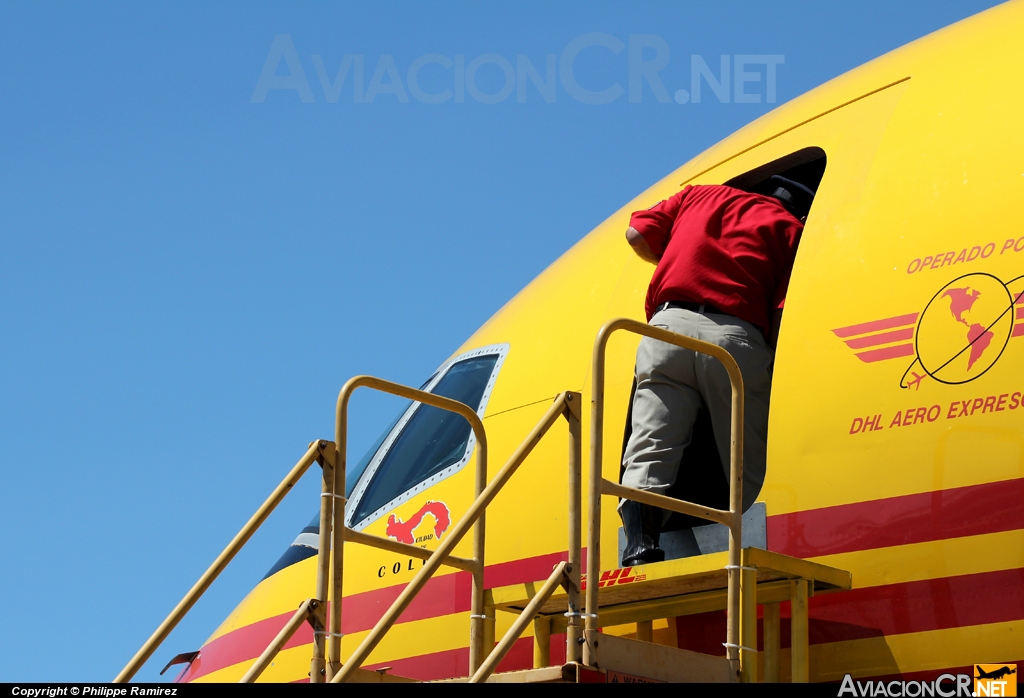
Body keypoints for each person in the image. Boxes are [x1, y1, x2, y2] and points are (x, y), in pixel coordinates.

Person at [619, 176, 814, 567]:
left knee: (651, 443)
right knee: (744, 453)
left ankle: (640, 546)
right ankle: (742, 545)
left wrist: (681, 260)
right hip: (735, 336)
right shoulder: (791, 229)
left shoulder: (699, 195)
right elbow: (781, 310)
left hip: (668, 327)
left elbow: (636, 234)